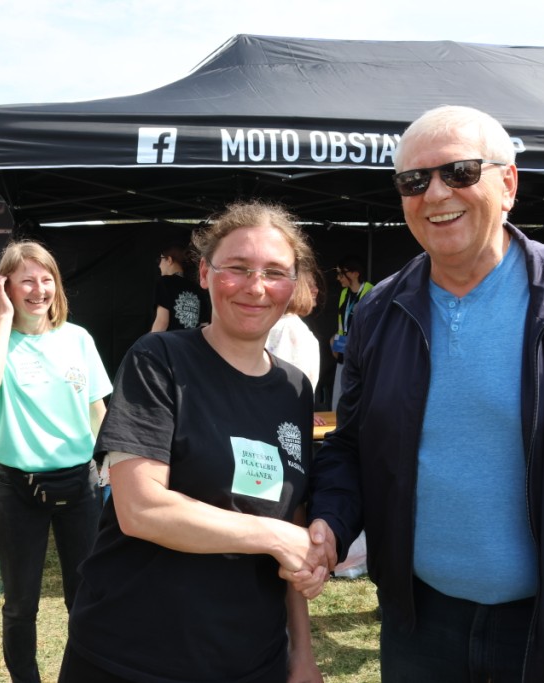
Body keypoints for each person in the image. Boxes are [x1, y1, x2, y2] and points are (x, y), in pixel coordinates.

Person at [291, 106, 544, 682]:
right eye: (414, 180)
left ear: (508, 184)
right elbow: (353, 447)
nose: (436, 193)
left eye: (459, 172)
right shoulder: (381, 311)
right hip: (419, 626)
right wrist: (331, 521)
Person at [59, 200, 323, 683]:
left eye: (274, 272)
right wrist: (273, 537)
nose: (256, 286)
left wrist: (301, 653)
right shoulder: (160, 359)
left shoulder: (294, 389)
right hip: (133, 655)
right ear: (204, 273)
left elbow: (293, 515)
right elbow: (141, 509)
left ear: (293, 285)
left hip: (252, 657)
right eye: (237, 268)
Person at [0, 240, 111, 683]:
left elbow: (97, 408)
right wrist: (3, 319)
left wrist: (110, 466)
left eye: (46, 279)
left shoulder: (78, 338)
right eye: (26, 280)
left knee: (85, 596)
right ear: (4, 286)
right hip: (18, 490)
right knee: (20, 603)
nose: (39, 289)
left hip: (81, 487)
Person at [267, 267, 326, 425]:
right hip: (286, 419)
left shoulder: (279, 323)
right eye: (309, 285)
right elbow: (288, 380)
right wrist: (301, 410)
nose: (316, 290)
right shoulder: (289, 328)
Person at [329, 255, 372, 410]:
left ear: (355, 273)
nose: (338, 278)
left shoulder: (372, 292)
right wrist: (335, 342)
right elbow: (343, 324)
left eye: (342, 274)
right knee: (338, 395)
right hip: (343, 350)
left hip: (360, 354)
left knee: (358, 396)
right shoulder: (344, 293)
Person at [150, 243, 208, 332]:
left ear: (169, 260)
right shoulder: (197, 288)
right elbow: (204, 325)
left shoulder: (164, 282)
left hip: (169, 340)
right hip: (191, 340)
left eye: (160, 260)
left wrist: (149, 340)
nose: (159, 265)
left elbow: (162, 323)